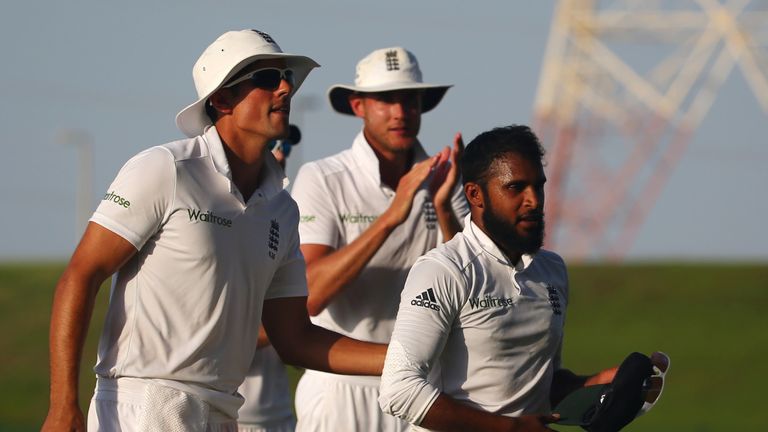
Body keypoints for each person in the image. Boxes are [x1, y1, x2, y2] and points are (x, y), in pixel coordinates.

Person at [42, 29, 387, 432]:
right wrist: (62, 405)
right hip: (144, 407)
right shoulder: (166, 169)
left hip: (224, 413)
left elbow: (296, 339)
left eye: (286, 78)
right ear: (222, 100)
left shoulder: (282, 209)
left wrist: (406, 358)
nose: (284, 88)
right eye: (266, 78)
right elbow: (81, 275)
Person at [378, 125, 620, 431]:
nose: (534, 200)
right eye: (516, 187)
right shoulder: (442, 270)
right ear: (475, 194)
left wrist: (602, 382)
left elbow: (543, 384)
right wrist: (511, 429)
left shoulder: (552, 270)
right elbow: (398, 391)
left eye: (538, 186)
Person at [290, 47, 469, 432]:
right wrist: (391, 217)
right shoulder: (322, 177)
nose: (400, 112)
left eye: (410, 100)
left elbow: (470, 284)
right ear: (358, 106)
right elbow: (309, 295)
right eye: (386, 99)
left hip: (423, 387)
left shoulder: (446, 180)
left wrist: (444, 210)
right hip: (339, 387)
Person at [237, 124, 303, 432]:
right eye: (273, 145)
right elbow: (211, 336)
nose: (281, 155)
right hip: (226, 416)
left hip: (277, 417)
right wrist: (288, 329)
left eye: (285, 147)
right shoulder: (218, 220)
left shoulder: (285, 218)